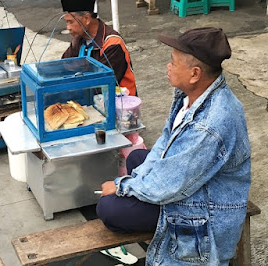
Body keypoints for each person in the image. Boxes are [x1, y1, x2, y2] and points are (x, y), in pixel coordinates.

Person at [96, 27, 251, 266]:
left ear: (195, 73)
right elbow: (165, 144)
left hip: (205, 207)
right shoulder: (189, 95)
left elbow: (168, 184)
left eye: (173, 62)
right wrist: (139, 180)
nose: (168, 66)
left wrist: (121, 186)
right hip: (190, 180)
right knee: (138, 157)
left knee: (109, 208)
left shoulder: (211, 124)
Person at [61, 0, 137, 96]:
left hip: (118, 104)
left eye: (70, 22)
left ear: (87, 19)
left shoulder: (112, 43)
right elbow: (63, 67)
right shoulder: (78, 40)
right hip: (91, 98)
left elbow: (102, 84)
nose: (68, 28)